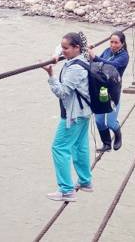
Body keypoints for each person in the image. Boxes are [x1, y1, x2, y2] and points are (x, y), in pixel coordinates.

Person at [43, 32, 93, 202]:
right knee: (79, 146)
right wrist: (56, 54)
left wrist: (51, 76)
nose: (63, 50)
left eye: (66, 48)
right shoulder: (82, 57)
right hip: (84, 112)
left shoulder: (75, 69)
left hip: (74, 116)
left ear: (76, 48)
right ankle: (85, 182)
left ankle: (66, 190)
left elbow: (63, 92)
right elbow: (61, 47)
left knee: (59, 148)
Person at [88, 31, 129, 153]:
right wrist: (88, 54)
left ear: (122, 43)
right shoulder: (107, 51)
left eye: (116, 42)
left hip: (113, 90)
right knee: (99, 121)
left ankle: (118, 135)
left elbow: (112, 65)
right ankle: (106, 144)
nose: (113, 45)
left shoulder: (124, 56)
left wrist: (95, 57)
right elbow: (96, 63)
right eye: (111, 42)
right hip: (101, 88)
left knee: (111, 123)